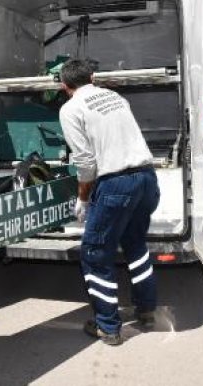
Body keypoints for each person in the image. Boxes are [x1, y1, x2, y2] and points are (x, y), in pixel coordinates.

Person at [58, 60, 161, 346]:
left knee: (94, 253)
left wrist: (82, 198)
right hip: (146, 179)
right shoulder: (114, 97)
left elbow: (86, 163)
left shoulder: (71, 109)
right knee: (136, 244)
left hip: (116, 184)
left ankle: (108, 327)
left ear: (64, 86)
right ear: (91, 78)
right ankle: (146, 311)